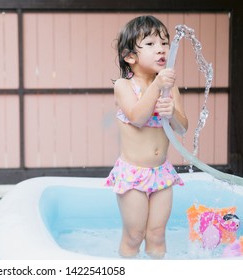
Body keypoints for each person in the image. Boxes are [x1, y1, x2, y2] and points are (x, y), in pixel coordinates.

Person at [105, 15, 188, 259]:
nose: (161, 49)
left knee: (157, 233)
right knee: (134, 234)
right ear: (130, 56)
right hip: (133, 174)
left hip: (161, 172)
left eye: (164, 43)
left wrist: (172, 112)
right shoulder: (124, 85)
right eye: (150, 44)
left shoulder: (170, 87)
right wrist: (156, 86)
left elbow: (182, 128)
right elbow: (138, 117)